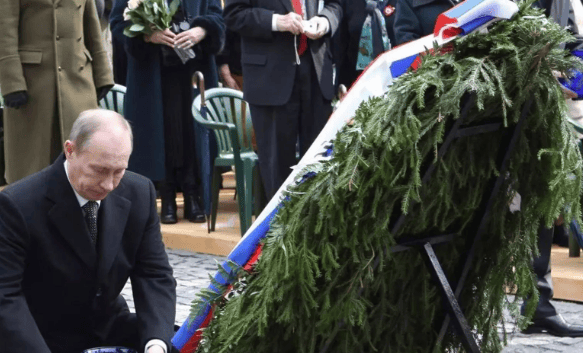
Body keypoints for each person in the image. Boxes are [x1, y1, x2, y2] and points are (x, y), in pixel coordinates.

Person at [0, 109, 185, 353]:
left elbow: (154, 274)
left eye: (118, 171)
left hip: (109, 334)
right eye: (99, 171)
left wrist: (155, 344)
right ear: (70, 150)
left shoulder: (139, 192)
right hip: (43, 345)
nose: (108, 184)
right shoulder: (18, 205)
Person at [394, 0, 583, 337]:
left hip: (534, 115)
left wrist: (567, 69)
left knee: (537, 205)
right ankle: (449, 307)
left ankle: (537, 302)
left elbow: (571, 42)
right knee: (469, 212)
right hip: (473, 119)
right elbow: (412, 52)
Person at [110, 0, 225, 224]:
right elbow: (117, 23)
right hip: (152, 74)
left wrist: (202, 30)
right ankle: (167, 196)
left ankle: (194, 194)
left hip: (194, 68)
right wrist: (145, 35)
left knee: (191, 132)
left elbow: (217, 16)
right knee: (162, 134)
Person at [0, 0, 114, 184]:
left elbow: (90, 23)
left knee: (82, 167)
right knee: (32, 172)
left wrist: (103, 74)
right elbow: (0, 30)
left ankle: (81, 212)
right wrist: (12, 81)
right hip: (33, 87)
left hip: (77, 82)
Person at [224, 0, 342, 199]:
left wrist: (325, 21)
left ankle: (314, 226)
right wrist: (276, 21)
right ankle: (279, 227)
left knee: (319, 160)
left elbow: (335, 5)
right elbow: (234, 14)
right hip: (270, 75)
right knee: (276, 167)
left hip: (316, 70)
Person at [334, 0, 397, 91]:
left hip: (399, 78)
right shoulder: (347, 3)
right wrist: (343, 84)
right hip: (358, 83)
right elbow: (340, 46)